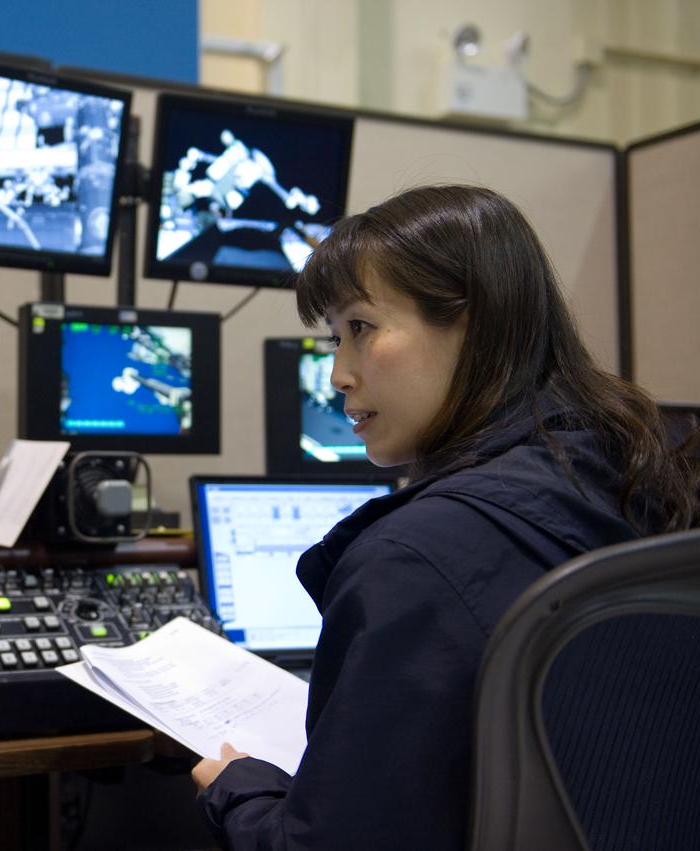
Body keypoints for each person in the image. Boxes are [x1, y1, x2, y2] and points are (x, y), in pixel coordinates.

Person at [191, 184, 699, 849]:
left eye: (361, 328)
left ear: (472, 323)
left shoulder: (412, 558)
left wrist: (238, 785)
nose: (340, 372)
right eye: (335, 337)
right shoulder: (641, 475)